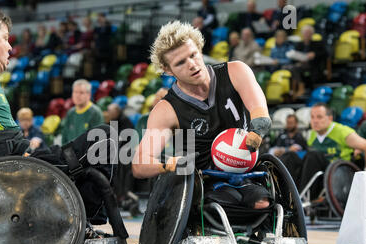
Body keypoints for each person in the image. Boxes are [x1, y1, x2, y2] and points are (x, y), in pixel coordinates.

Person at [0, 4, 126, 239]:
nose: (10, 46)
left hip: (15, 164)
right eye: (5, 38)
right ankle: (79, 227)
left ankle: (77, 225)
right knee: (106, 136)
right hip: (12, 171)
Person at [132, 21, 272, 210]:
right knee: (226, 205)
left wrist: (257, 132)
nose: (191, 65)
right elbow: (140, 164)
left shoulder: (237, 71)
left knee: (261, 203)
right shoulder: (166, 109)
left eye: (193, 55)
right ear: (168, 70)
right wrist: (166, 165)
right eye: (180, 62)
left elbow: (260, 113)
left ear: (199, 48)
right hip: (201, 182)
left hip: (245, 170)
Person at [281, 103, 366, 200]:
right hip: (318, 174)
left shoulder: (342, 132)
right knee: (289, 156)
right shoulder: (313, 134)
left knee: (313, 156)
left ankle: (302, 198)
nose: (315, 121)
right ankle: (287, 196)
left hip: (339, 173)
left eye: (319, 117)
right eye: (312, 117)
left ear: (330, 118)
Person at [60, 79, 104, 145]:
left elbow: (98, 141)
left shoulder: (95, 113)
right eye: (75, 92)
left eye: (81, 93)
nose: (77, 95)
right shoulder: (70, 113)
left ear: (89, 95)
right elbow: (64, 138)